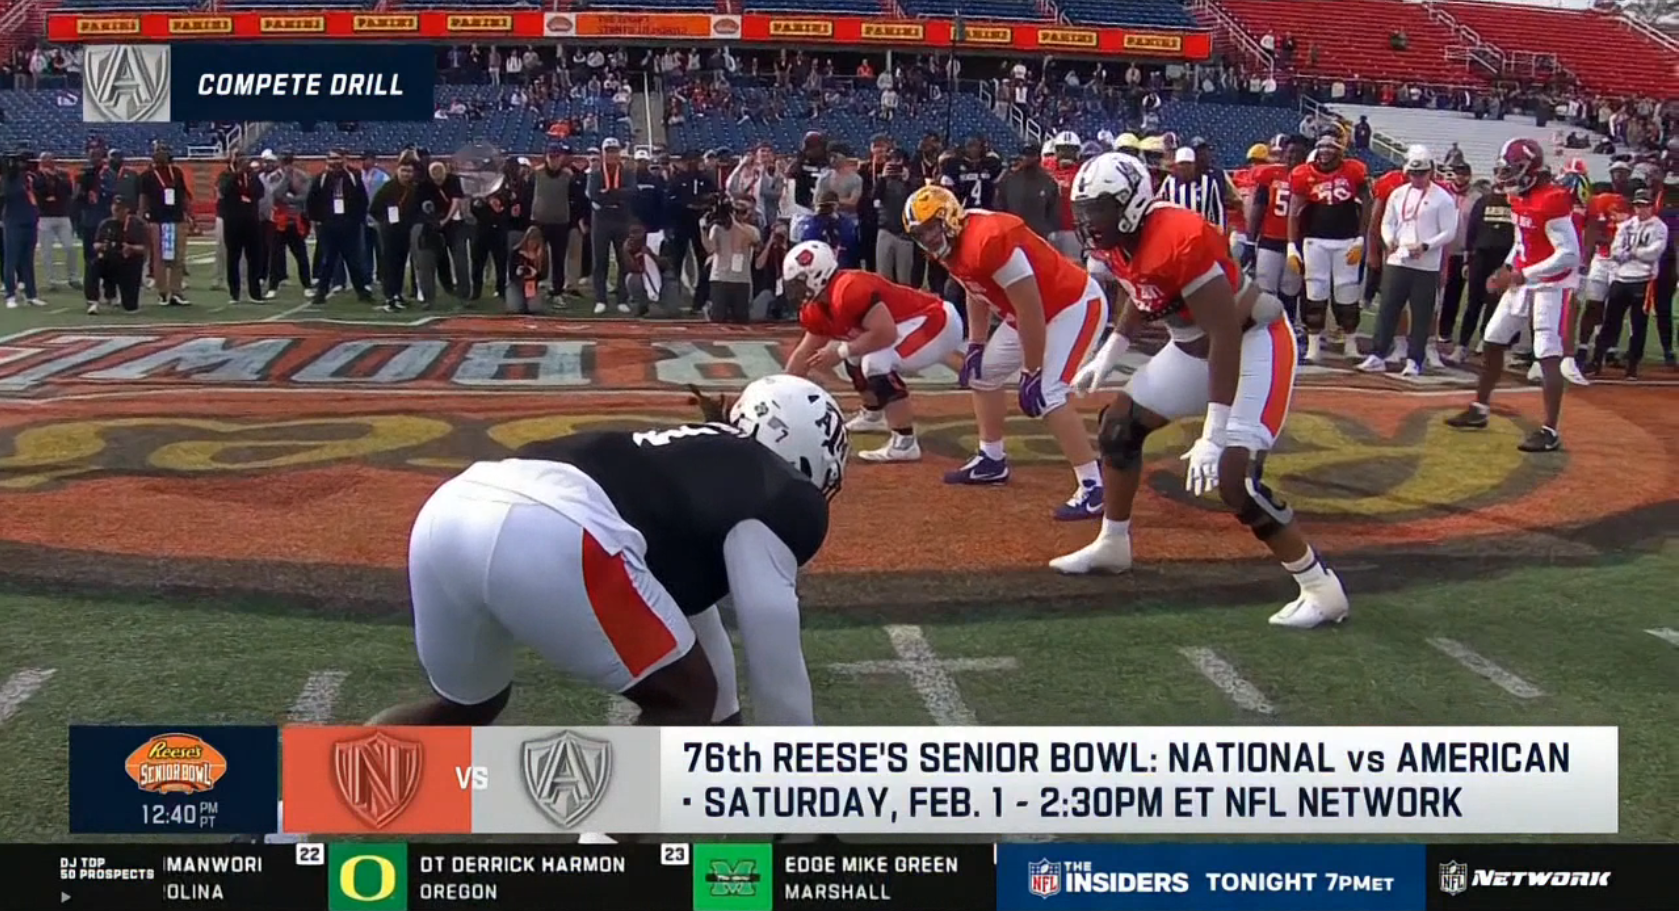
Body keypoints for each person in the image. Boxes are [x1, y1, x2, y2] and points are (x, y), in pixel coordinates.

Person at [367, 374, 846, 741]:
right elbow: (772, 646)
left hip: (451, 508)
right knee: (685, 698)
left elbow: (695, 623)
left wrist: (722, 728)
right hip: (550, 527)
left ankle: (304, 804)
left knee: (463, 707)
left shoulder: (695, 466)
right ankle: (594, 858)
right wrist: (795, 802)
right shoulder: (780, 490)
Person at [1051, 152, 1349, 629]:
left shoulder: (1180, 236)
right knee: (1119, 426)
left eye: (1099, 209)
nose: (1090, 222)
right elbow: (1140, 285)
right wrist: (1113, 349)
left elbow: (1226, 332)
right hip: (1195, 349)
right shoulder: (1118, 240)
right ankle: (1114, 543)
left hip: (1254, 343)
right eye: (1084, 210)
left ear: (1131, 204)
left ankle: (1321, 589)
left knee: (1236, 478)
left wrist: (1213, 433)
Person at [903, 184, 1108, 520]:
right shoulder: (954, 245)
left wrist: (1031, 371)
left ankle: (1094, 485)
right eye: (919, 233)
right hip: (1028, 311)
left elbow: (1031, 308)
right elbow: (975, 288)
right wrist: (977, 344)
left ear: (948, 218)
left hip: (1072, 305)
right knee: (983, 374)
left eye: (929, 229)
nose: (926, 238)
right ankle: (992, 459)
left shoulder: (989, 240)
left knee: (1049, 393)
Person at [1445, 138, 1578, 453]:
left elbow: (1569, 255)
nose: (1506, 176)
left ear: (1530, 169)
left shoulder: (1554, 199)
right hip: (1524, 279)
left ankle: (1550, 430)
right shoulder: (1519, 198)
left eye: (1512, 169)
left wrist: (1520, 274)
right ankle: (1480, 408)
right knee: (1492, 338)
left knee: (1547, 353)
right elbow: (1522, 243)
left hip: (1552, 285)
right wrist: (1505, 268)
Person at [780, 240, 963, 462]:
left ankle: (904, 442)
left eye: (800, 282)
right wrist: (781, 395)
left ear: (818, 274)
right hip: (906, 325)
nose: (797, 291)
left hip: (937, 320)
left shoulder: (849, 289)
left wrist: (840, 351)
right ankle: (873, 413)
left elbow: (885, 334)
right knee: (857, 354)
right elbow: (804, 354)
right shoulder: (818, 307)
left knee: (874, 361)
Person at [1361, 145, 1458, 376]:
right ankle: (1378, 354)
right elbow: (1387, 221)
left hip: (1426, 263)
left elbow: (1449, 231)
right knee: (1388, 308)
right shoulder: (1398, 193)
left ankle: (1415, 359)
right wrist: (1389, 240)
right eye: (1413, 174)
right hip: (1398, 259)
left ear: (1431, 171)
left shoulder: (1442, 198)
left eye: (1422, 173)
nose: (1417, 178)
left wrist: (1426, 245)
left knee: (1422, 313)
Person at [1288, 132, 1371, 362]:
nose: (1325, 151)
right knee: (1315, 291)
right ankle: (1314, 345)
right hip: (1315, 240)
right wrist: (1291, 246)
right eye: (1321, 146)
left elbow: (1367, 205)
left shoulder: (1354, 170)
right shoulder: (1303, 174)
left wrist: (1361, 238)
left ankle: (1350, 342)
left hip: (1346, 239)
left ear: (1341, 150)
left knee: (1347, 292)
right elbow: (1294, 213)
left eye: (1330, 146)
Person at [1589, 189, 1667, 379]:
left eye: (1645, 205)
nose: (1641, 209)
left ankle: (1632, 365)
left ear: (1651, 207)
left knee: (1638, 324)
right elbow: (1615, 250)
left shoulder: (1659, 227)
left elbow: (1654, 252)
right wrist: (1635, 253)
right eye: (1638, 205)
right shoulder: (1626, 226)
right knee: (1610, 321)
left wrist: (1632, 253)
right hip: (1621, 277)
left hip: (1643, 280)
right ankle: (1597, 360)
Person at [1575, 160, 1636, 371]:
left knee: (1615, 309)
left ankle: (1608, 350)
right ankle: (1582, 348)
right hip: (1602, 259)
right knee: (1594, 304)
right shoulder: (1601, 201)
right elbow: (1591, 231)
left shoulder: (1636, 204)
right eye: (1616, 173)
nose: (1620, 177)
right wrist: (1586, 257)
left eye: (1624, 173)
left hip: (1624, 263)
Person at [1245, 135, 1307, 331]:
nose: (1293, 158)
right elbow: (1258, 208)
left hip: (1297, 243)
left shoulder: (1310, 176)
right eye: (1290, 153)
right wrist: (1250, 240)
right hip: (1270, 240)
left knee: (1290, 290)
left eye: (1298, 154)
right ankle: (1263, 328)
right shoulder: (1270, 174)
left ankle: (1285, 329)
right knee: (1266, 287)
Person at [83, 196, 148, 314]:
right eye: (115, 208)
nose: (116, 211)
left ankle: (122, 296)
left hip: (129, 263)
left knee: (130, 307)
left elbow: (144, 248)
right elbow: (96, 244)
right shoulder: (106, 223)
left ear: (127, 210)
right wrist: (101, 246)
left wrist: (131, 248)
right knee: (93, 265)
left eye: (120, 209)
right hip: (109, 260)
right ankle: (93, 301)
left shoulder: (136, 224)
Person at [215, 151, 265, 305]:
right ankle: (234, 293)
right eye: (241, 158)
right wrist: (237, 174)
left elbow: (259, 193)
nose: (244, 162)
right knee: (233, 258)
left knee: (254, 258)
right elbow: (224, 190)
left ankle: (255, 293)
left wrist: (249, 177)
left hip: (251, 220)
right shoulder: (225, 175)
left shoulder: (252, 176)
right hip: (232, 221)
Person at [506, 225, 547, 315]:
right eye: (530, 241)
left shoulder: (542, 255)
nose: (532, 244)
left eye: (535, 242)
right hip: (517, 284)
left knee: (534, 309)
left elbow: (544, 274)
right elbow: (511, 274)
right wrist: (518, 272)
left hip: (532, 285)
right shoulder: (516, 252)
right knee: (515, 309)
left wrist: (536, 273)